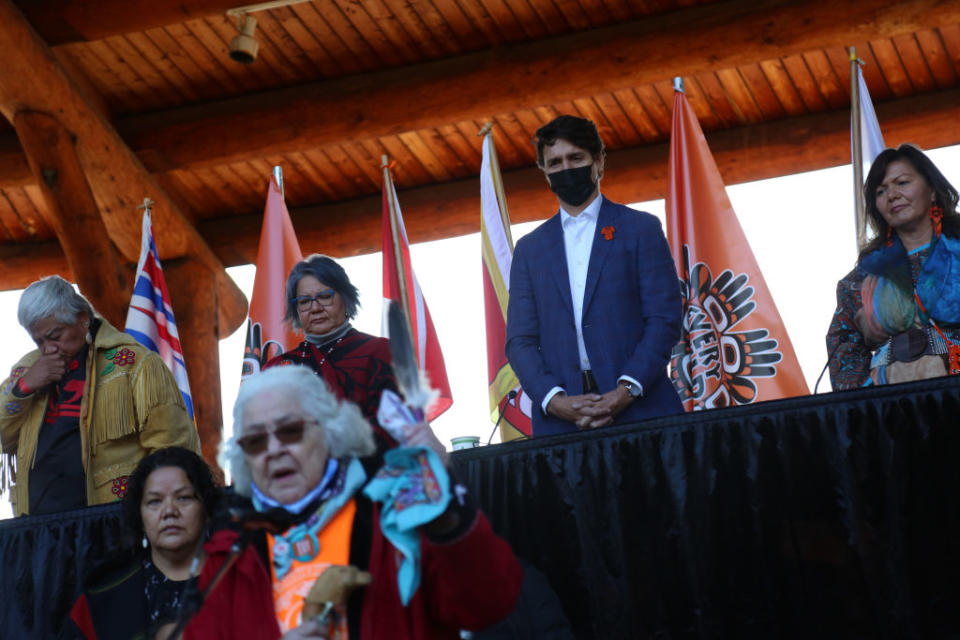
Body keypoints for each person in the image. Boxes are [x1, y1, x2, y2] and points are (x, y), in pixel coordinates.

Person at [221, 365, 522, 639]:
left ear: (329, 433)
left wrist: (444, 499)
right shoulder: (230, 553)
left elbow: (487, 605)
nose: (273, 449)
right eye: (255, 441)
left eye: (290, 431)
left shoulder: (396, 513)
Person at [505, 115, 683, 436]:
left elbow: (664, 319)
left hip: (644, 412)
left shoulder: (641, 228)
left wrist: (625, 392)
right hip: (560, 426)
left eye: (576, 158)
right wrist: (555, 401)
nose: (566, 168)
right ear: (544, 172)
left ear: (599, 160)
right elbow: (520, 341)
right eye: (555, 162)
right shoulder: (529, 249)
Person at [0, 276, 198, 517]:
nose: (48, 349)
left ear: (83, 317)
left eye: (55, 335)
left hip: (113, 521)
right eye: (38, 341)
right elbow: (4, 436)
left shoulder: (134, 363)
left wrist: (152, 513)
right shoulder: (27, 369)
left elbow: (171, 446)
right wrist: (23, 388)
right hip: (39, 528)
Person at [64, 447, 280, 640]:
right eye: (154, 501)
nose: (169, 511)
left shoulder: (241, 573)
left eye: (184, 498)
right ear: (139, 516)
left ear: (206, 509)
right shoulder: (105, 596)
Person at [827, 144, 960, 389]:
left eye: (902, 183)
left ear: (931, 189)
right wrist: (868, 396)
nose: (892, 195)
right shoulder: (857, 281)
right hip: (889, 409)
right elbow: (844, 352)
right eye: (880, 191)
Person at [264, 254, 399, 448]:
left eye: (325, 297)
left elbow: (397, 425)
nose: (315, 308)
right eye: (304, 301)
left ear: (346, 298)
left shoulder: (381, 352)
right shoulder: (275, 369)